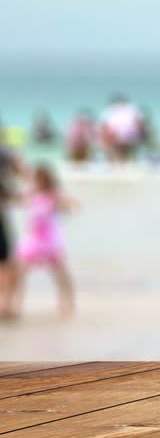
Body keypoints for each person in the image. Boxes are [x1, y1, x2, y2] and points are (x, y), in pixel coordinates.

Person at [5, 164, 77, 319]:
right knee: (20, 272)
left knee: (60, 273)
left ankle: (67, 303)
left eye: (41, 179)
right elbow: (16, 200)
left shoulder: (54, 195)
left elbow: (71, 206)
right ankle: (16, 306)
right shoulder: (31, 194)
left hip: (50, 240)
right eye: (36, 179)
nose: (38, 182)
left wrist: (63, 206)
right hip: (33, 239)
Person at [0, 128, 24, 305]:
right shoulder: (5, 153)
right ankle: (6, 304)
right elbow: (21, 171)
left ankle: (7, 303)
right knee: (7, 260)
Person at [100, 94, 143, 162]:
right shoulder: (131, 109)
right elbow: (139, 123)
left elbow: (139, 123)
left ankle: (119, 160)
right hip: (122, 135)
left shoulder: (131, 109)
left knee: (110, 139)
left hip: (126, 135)